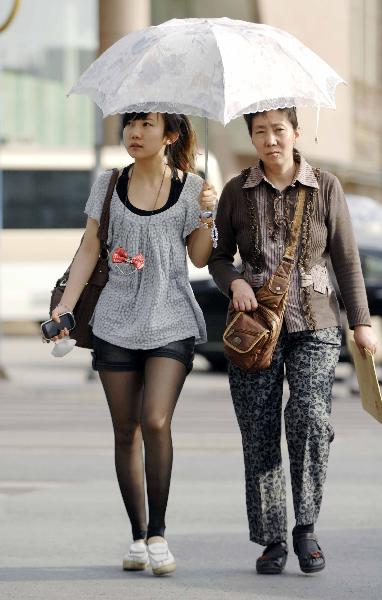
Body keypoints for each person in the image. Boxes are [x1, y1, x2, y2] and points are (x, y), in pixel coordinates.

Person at [208, 107, 377, 575]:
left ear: (295, 133)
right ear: (252, 138)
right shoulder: (235, 192)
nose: (270, 140)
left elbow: (347, 260)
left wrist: (361, 322)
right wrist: (234, 283)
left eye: (278, 130)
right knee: (259, 429)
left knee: (310, 415)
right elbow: (218, 257)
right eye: (260, 132)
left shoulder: (326, 186)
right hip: (253, 329)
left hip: (316, 321)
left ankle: (306, 526)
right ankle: (272, 539)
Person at [49, 112, 217, 576]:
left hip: (171, 317)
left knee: (155, 420)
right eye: (130, 124)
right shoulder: (107, 184)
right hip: (115, 319)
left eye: (146, 124)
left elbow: (200, 257)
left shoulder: (191, 186)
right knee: (126, 430)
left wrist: (207, 213)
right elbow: (88, 249)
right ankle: (138, 536)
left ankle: (160, 533)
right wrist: (64, 308)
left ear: (171, 135)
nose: (135, 133)